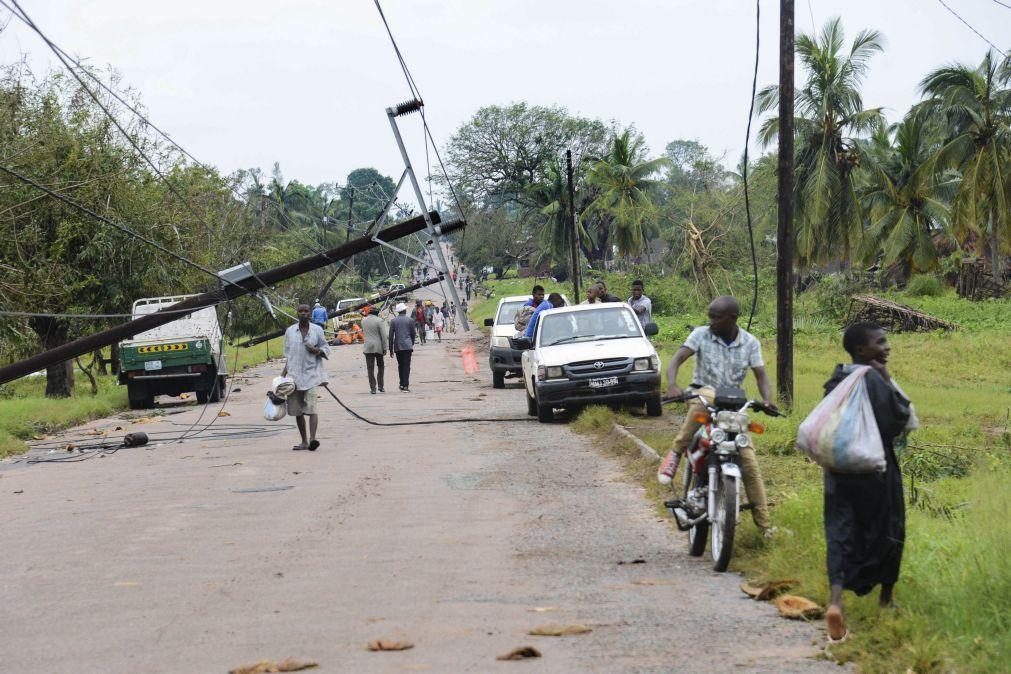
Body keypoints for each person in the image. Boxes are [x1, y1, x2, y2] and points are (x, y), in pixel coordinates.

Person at [821, 322, 914, 642]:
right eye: (881, 342)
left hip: (839, 472)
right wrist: (888, 381)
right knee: (890, 528)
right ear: (861, 350)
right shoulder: (873, 380)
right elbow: (896, 421)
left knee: (840, 530)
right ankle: (886, 600)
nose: (887, 347)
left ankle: (835, 602)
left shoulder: (837, 378)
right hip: (877, 469)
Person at [657, 296, 777, 535]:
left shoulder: (751, 343)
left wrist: (767, 400)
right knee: (710, 393)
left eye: (716, 317)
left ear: (733, 318)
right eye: (710, 316)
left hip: (732, 408)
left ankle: (765, 527)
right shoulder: (701, 334)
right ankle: (676, 451)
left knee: (750, 466)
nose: (710, 321)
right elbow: (677, 359)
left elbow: (761, 375)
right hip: (702, 399)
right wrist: (672, 383)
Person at [281, 303, 331, 451]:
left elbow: (326, 350)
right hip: (294, 378)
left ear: (310, 314)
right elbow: (288, 356)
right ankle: (303, 441)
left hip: (311, 376)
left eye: (306, 311)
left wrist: (315, 350)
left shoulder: (317, 330)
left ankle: (312, 439)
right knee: (297, 411)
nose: (303, 313)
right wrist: (282, 376)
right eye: (301, 311)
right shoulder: (290, 331)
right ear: (297, 313)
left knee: (312, 409)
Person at [360, 304, 388, 394]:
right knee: (381, 366)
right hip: (378, 347)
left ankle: (373, 388)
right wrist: (385, 348)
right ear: (377, 313)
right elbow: (384, 336)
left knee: (370, 368)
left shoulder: (363, 320)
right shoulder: (379, 321)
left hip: (368, 347)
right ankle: (381, 386)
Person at [389, 302, 416, 392]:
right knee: (406, 366)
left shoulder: (393, 321)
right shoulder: (410, 320)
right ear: (404, 310)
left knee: (400, 365)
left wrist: (390, 349)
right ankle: (405, 386)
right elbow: (413, 333)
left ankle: (402, 384)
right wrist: (411, 343)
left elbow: (391, 336)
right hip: (407, 346)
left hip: (398, 347)